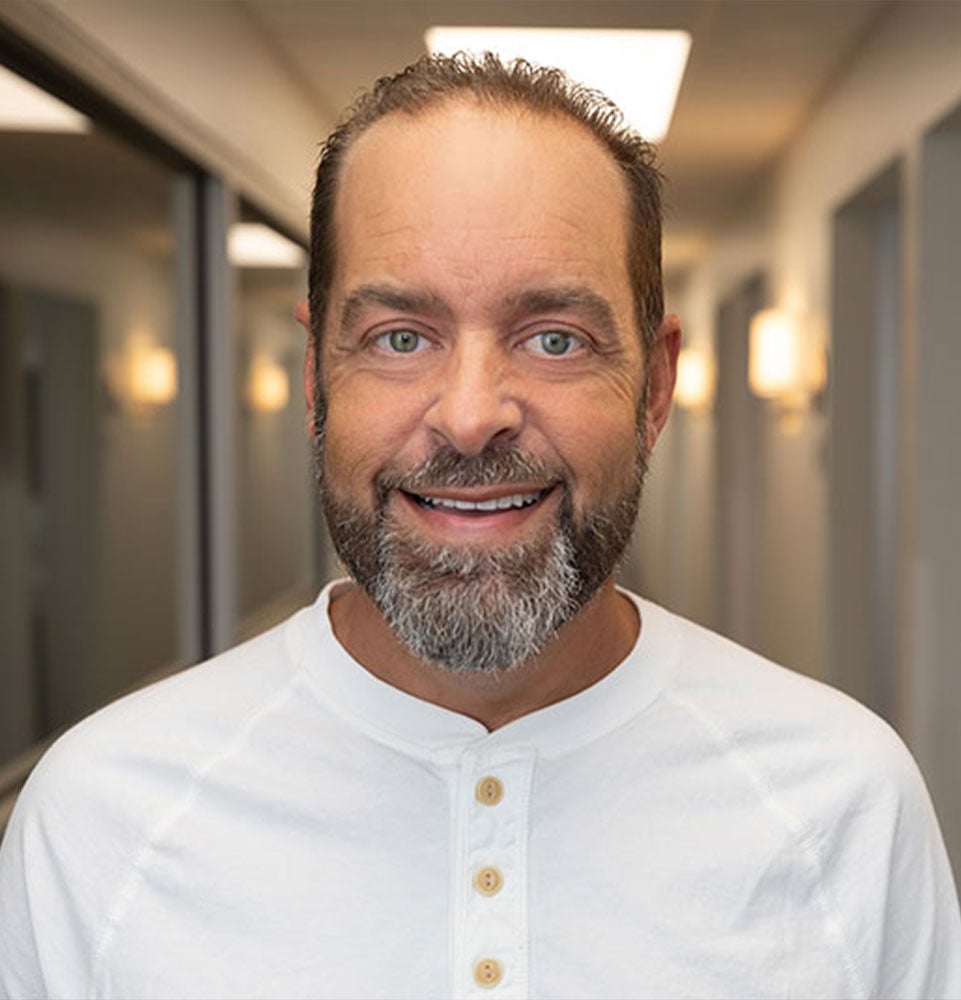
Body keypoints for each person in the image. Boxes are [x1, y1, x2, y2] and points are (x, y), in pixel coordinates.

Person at [1, 53, 959, 1000]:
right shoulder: (102, 817)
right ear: (314, 378)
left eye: (553, 339)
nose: (469, 417)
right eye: (400, 338)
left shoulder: (842, 801)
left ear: (655, 386)